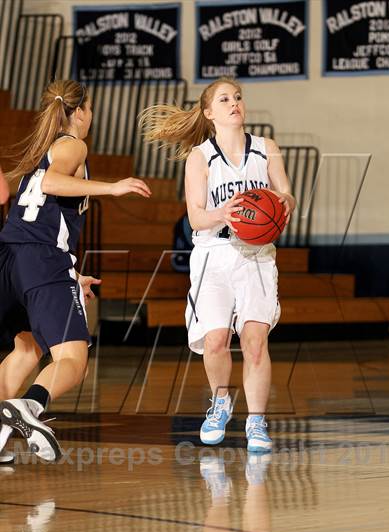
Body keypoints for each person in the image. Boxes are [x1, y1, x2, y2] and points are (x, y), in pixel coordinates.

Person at [139, 77, 295, 452]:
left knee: (256, 342)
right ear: (209, 113)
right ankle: (221, 402)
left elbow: (286, 192)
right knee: (215, 341)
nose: (234, 103)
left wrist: (285, 203)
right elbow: (195, 218)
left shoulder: (266, 148)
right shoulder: (200, 157)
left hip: (256, 255)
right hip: (213, 254)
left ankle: (257, 422)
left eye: (238, 97)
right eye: (224, 99)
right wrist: (224, 212)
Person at [0, 79, 151, 463]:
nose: (92, 115)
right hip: (41, 260)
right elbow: (51, 184)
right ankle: (29, 407)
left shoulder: (40, 151)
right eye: (91, 108)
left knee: (26, 348)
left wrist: (70, 272)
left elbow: (39, 216)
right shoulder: (73, 145)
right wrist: (113, 188)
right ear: (80, 112)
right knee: (74, 358)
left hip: (12, 260)